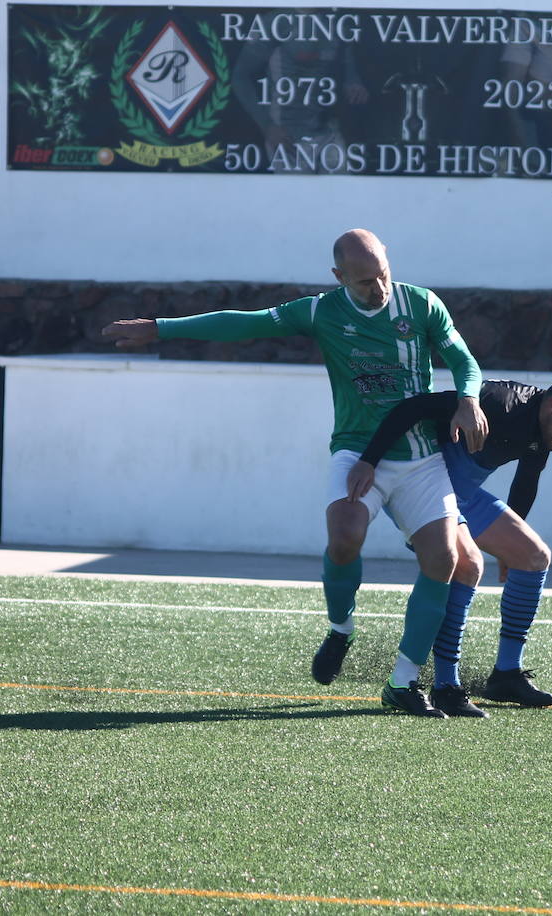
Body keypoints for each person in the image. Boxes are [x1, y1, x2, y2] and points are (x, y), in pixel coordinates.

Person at [101, 228, 488, 718]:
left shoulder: (422, 305)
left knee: (444, 560)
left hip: (420, 457)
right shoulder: (322, 311)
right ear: (339, 276)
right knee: (344, 537)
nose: (379, 289)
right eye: (365, 281)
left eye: (383, 274)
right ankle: (340, 629)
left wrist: (468, 399)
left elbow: (463, 360)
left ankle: (403, 683)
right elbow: (246, 324)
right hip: (356, 449)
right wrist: (162, 328)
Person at [348, 372, 552, 717]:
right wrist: (369, 459)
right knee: (467, 563)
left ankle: (506, 675)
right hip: (425, 487)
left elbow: (526, 482)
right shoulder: (497, 402)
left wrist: (510, 543)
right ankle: (446, 687)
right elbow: (414, 408)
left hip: (464, 494)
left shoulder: (546, 430)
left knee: (533, 556)